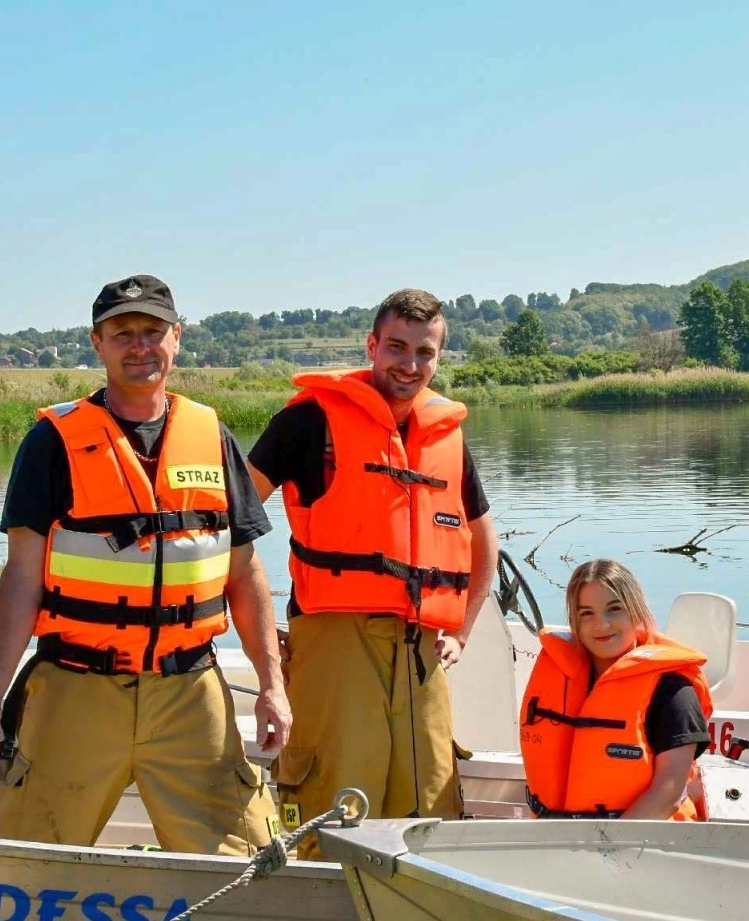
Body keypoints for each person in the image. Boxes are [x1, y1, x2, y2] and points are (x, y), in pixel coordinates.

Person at [0, 274, 289, 856]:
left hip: (191, 692)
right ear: (98, 343)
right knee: (27, 854)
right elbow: (20, 579)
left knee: (243, 860)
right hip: (76, 689)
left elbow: (246, 574)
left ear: (177, 338)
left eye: (153, 331)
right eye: (123, 333)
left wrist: (271, 686)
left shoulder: (212, 436)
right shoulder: (52, 442)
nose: (140, 345)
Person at [247, 288, 497, 858]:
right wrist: (258, 631)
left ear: (439, 357)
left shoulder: (445, 435)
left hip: (421, 652)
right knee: (336, 802)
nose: (409, 365)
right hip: (333, 640)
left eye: (424, 352)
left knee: (428, 803)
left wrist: (460, 630)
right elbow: (229, 525)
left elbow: (485, 544)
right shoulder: (308, 421)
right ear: (372, 345)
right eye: (396, 347)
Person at [519, 560, 712, 820]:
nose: (601, 624)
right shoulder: (560, 676)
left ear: (636, 611)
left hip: (642, 842)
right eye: (586, 613)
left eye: (614, 609)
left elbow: (668, 794)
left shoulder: (673, 690)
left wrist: (604, 846)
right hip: (557, 837)